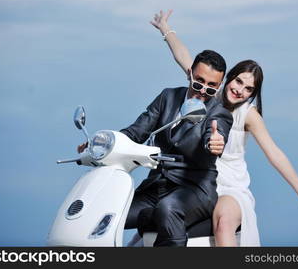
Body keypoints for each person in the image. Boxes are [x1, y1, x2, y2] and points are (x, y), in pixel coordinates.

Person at [150, 10, 298, 246]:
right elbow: (183, 56)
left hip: (229, 188)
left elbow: (275, 154)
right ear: (228, 79)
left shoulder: (248, 115)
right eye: (238, 82)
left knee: (223, 223)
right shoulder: (206, 90)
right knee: (152, 222)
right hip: (196, 183)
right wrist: (165, 29)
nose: (240, 90)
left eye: (249, 89)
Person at [80, 49, 233, 246]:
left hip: (193, 191)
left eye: (211, 87)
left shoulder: (219, 113)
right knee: (107, 212)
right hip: (155, 188)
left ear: (219, 86)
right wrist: (102, 143)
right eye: (199, 82)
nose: (203, 90)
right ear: (189, 74)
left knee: (167, 208)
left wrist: (214, 142)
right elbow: (135, 132)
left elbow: (215, 134)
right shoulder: (168, 97)